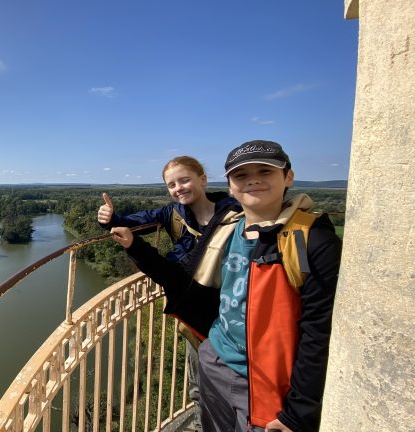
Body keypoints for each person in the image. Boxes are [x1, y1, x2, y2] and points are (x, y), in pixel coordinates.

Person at [109, 140, 341, 432]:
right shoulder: (227, 230)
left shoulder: (311, 241)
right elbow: (180, 282)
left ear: (288, 177)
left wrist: (299, 411)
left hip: (261, 383)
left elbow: (318, 331)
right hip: (213, 356)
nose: (253, 180)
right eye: (241, 175)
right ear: (230, 186)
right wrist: (134, 245)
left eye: (265, 171)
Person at [97, 155, 238, 431]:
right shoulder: (171, 214)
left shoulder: (233, 213)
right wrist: (109, 218)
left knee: (233, 384)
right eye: (172, 184)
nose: (179, 188)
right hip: (195, 314)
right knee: (199, 383)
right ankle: (201, 426)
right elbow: (130, 223)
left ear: (203, 179)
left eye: (184, 180)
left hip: (230, 312)